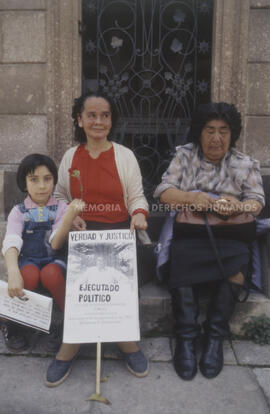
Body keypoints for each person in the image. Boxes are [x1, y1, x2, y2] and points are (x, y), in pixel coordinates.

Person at [45, 90, 149, 387]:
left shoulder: (124, 156)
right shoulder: (70, 157)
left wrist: (139, 214)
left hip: (118, 234)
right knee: (83, 284)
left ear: (111, 120)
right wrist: (69, 214)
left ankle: (126, 341)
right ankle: (71, 345)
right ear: (79, 120)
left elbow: (137, 196)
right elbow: (60, 197)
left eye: (105, 115)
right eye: (91, 115)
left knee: (118, 283)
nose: (99, 121)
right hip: (81, 236)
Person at [154, 102, 265, 380]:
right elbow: (164, 192)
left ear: (232, 134)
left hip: (230, 234)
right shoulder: (184, 157)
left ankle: (215, 336)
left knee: (238, 267)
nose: (217, 138)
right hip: (191, 231)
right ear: (199, 132)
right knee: (181, 258)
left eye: (224, 131)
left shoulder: (245, 163)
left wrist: (237, 206)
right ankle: (187, 338)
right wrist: (193, 197)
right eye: (210, 130)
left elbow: (257, 202)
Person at [1, 154, 84, 352]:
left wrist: (68, 218)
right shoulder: (19, 211)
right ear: (24, 182)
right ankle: (14, 325)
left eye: (47, 179)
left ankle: (70, 320)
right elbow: (12, 240)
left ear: (54, 181)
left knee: (51, 274)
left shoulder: (61, 208)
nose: (41, 186)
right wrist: (13, 272)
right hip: (28, 259)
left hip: (54, 260)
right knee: (28, 275)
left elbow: (55, 243)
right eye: (34, 179)